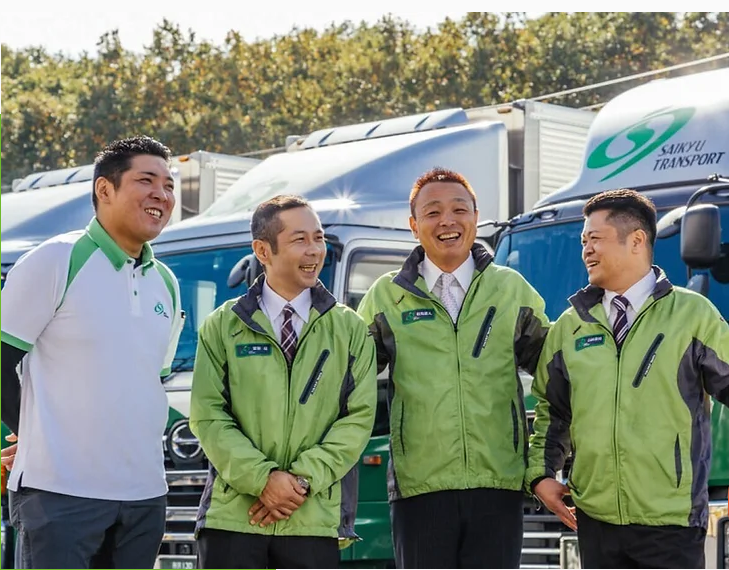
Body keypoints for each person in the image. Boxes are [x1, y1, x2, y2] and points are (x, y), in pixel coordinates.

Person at [0, 135, 184, 569]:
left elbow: (149, 382)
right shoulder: (55, 260)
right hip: (60, 495)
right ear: (105, 189)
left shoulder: (167, 283)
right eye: (146, 180)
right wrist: (32, 434)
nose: (161, 194)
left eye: (169, 185)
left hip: (143, 497)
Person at [357, 167, 551, 569]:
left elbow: (559, 379)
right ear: (414, 226)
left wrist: (543, 464)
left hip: (498, 483)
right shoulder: (387, 297)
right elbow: (346, 380)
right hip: (419, 488)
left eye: (459, 209)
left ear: (475, 218)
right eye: (432, 212)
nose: (447, 221)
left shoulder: (511, 290)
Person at [526, 189, 729, 569]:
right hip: (595, 522)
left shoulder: (693, 315)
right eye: (583, 241)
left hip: (670, 523)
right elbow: (552, 411)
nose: (586, 249)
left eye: (595, 238)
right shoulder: (571, 325)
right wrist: (541, 475)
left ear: (636, 240)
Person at [189, 194, 377, 569]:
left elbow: (357, 419)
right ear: (263, 250)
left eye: (318, 238)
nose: (314, 251)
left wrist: (299, 482)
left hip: (313, 518)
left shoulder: (350, 328)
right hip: (233, 519)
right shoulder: (222, 326)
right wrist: (263, 480)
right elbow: (208, 416)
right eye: (300, 240)